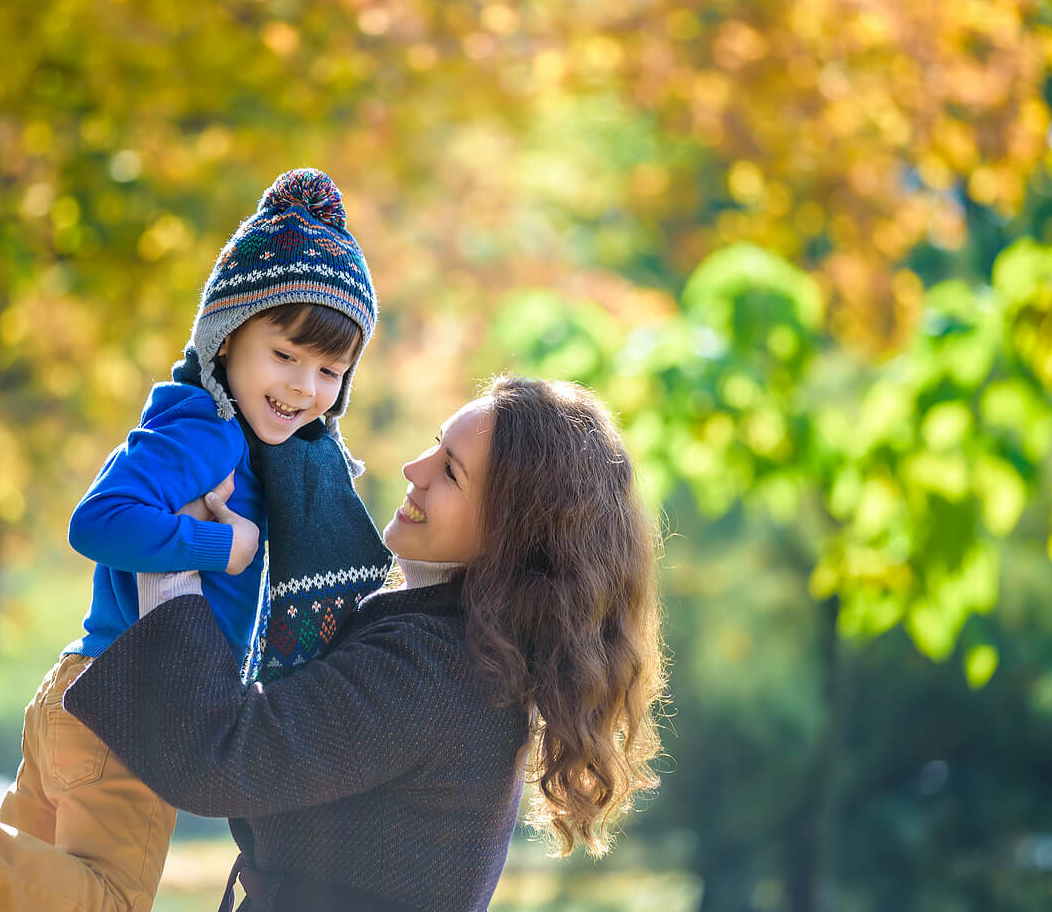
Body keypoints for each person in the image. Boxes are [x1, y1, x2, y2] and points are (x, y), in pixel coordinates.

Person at [0, 167, 394, 911]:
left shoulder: (210, 431)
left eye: (331, 369)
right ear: (227, 337)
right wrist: (222, 551)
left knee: (15, 897)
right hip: (128, 709)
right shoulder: (207, 434)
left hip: (85, 688)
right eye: (285, 355)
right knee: (109, 901)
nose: (305, 387)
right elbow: (99, 521)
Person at [64, 375, 669, 910]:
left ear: (509, 537)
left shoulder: (438, 669)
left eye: (451, 471)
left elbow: (225, 758)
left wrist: (171, 565)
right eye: (436, 443)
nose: (415, 469)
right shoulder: (444, 637)